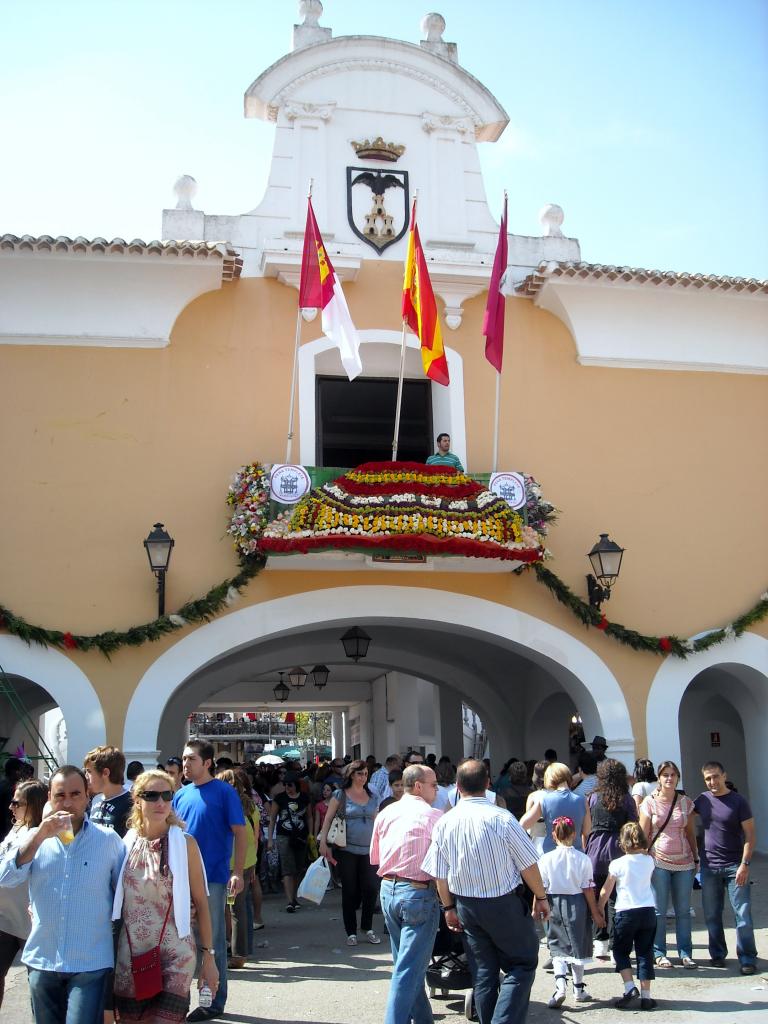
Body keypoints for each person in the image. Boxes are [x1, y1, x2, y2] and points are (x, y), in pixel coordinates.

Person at [422, 759, 549, 1024]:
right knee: (522, 964)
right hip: (503, 903)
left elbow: (439, 874)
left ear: (457, 787)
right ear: (488, 783)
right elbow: (528, 864)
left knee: (483, 973)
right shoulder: (502, 819)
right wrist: (541, 895)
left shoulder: (445, 823)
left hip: (467, 905)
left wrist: (448, 908)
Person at [0, 765, 125, 1023]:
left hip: (90, 962)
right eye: (60, 795)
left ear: (87, 796)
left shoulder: (109, 841)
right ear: (50, 798)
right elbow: (6, 878)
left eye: (75, 794)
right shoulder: (33, 839)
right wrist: (38, 838)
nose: (67, 802)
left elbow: (124, 896)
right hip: (43, 959)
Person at [112, 769, 218, 1023]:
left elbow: (202, 903)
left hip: (176, 953)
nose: (160, 802)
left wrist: (209, 958)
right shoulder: (123, 846)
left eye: (166, 795)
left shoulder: (186, 845)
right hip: (131, 954)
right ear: (137, 800)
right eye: (151, 795)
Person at [173, 740, 246, 1022]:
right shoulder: (180, 795)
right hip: (182, 879)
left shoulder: (224, 792)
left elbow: (240, 833)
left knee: (211, 941)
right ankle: (182, 999)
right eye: (184, 758)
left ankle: (212, 1002)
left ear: (207, 763)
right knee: (184, 940)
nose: (185, 764)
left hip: (213, 877)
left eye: (191, 759)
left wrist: (237, 871)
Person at [369, 764, 443, 1024]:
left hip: (389, 889)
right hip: (417, 892)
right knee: (408, 969)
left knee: (407, 965)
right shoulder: (433, 816)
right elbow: (441, 867)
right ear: (420, 786)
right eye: (434, 784)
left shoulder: (386, 813)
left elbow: (376, 857)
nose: (438, 789)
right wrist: (450, 903)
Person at [693, 760, 757, 974]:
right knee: (712, 914)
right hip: (709, 867)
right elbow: (681, 816)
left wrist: (744, 864)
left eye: (715, 776)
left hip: (734, 866)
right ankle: (718, 954)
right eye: (708, 778)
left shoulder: (738, 801)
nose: (712, 781)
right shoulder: (702, 800)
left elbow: (750, 835)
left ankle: (747, 957)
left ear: (724, 775)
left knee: (743, 914)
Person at [538, 815, 604, 1008]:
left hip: (554, 903)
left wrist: (537, 906)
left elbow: (541, 886)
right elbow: (588, 888)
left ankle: (560, 988)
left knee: (558, 947)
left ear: (553, 835)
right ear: (574, 834)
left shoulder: (546, 859)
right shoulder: (583, 859)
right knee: (578, 946)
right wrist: (596, 912)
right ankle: (579, 989)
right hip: (578, 904)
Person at [638, 760, 698, 969]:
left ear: (678, 777)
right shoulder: (649, 802)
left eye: (673, 775)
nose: (669, 778)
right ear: (659, 778)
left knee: (683, 910)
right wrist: (641, 860)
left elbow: (690, 832)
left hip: (684, 861)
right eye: (665, 775)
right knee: (658, 910)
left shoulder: (685, 802)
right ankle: (659, 952)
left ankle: (685, 953)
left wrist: (696, 857)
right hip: (658, 861)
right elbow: (643, 833)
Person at [318, 759, 381, 946]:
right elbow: (328, 820)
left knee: (370, 888)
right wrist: (323, 843)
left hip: (369, 849)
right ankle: (351, 931)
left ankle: (367, 926)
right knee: (350, 890)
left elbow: (377, 822)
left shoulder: (372, 795)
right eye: (360, 773)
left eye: (366, 774)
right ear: (352, 775)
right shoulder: (340, 795)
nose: (363, 777)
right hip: (346, 849)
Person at [598, 821, 657, 1011]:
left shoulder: (617, 864)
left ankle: (629, 987)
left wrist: (599, 908)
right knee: (645, 952)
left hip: (626, 911)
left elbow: (606, 890)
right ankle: (646, 996)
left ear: (622, 842)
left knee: (620, 951)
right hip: (648, 910)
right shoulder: (649, 861)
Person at [584, 758, 638, 958]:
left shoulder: (593, 797)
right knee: (617, 899)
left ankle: (600, 940)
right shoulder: (627, 798)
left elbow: (587, 827)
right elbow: (633, 825)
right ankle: (618, 943)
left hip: (596, 849)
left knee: (598, 896)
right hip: (619, 850)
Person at [0, 779, 47, 1008]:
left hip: (30, 924)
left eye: (16, 802)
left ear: (33, 804)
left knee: (38, 988)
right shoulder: (17, 826)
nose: (11, 807)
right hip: (4, 919)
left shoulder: (42, 835)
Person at [217, 770, 258, 968]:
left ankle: (238, 953)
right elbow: (256, 838)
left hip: (232, 867)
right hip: (247, 863)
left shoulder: (223, 808)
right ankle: (242, 948)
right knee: (240, 908)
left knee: (233, 909)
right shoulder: (251, 808)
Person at [519, 762, 590, 852]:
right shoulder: (582, 801)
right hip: (576, 854)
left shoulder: (544, 800)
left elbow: (523, 824)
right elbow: (587, 831)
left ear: (549, 779)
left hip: (551, 854)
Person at [268, 772, 311, 913]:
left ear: (296, 785)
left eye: (290, 785)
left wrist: (311, 835)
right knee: (287, 868)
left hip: (301, 836)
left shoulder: (305, 798)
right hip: (283, 835)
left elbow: (309, 817)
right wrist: (270, 839)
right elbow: (273, 819)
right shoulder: (279, 798)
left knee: (298, 868)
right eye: (285, 785)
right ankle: (290, 900)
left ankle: (294, 897)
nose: (287, 787)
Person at [84, 745, 133, 837]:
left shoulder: (131, 803)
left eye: (89, 772)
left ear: (105, 773)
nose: (86, 777)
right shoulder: (96, 799)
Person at [0, 758, 25, 839]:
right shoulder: (8, 789)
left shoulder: (4, 784)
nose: (22, 773)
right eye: (21, 770)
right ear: (14, 771)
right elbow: (8, 813)